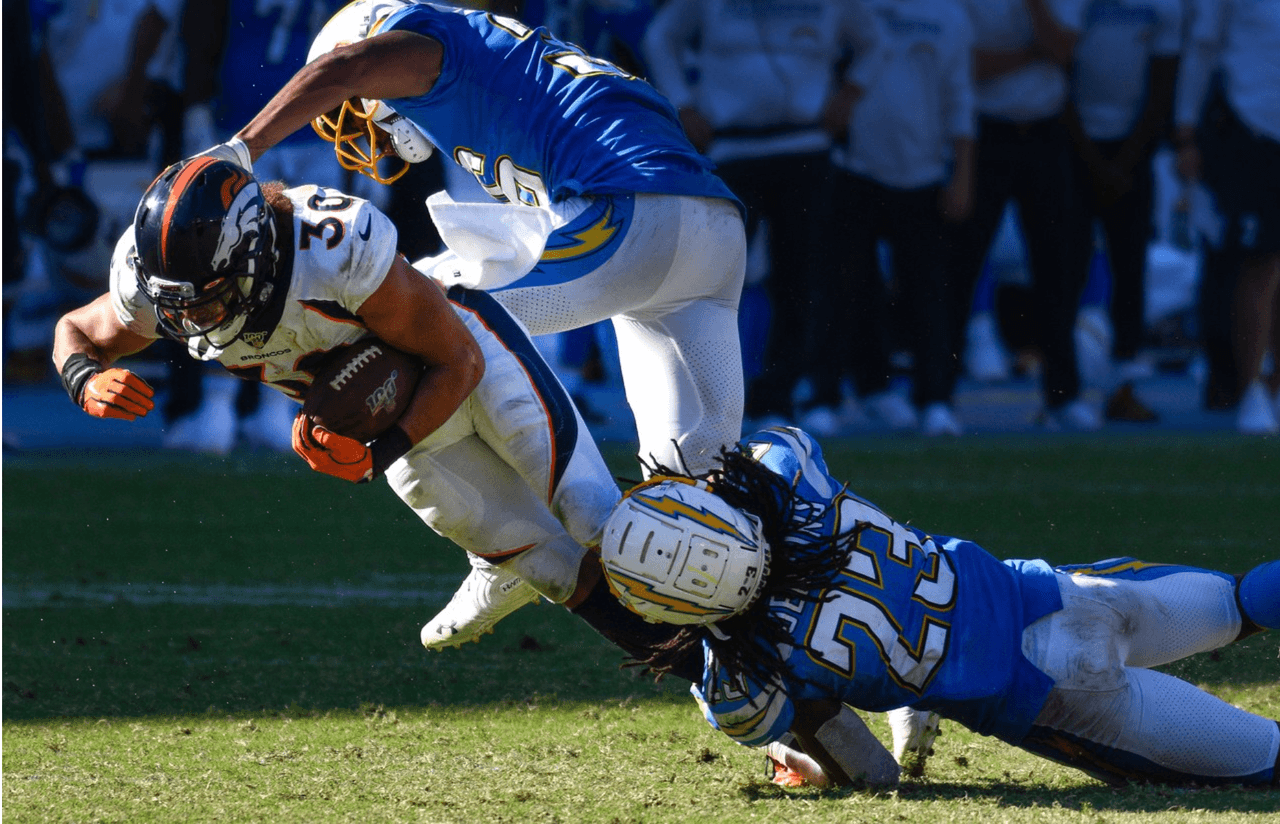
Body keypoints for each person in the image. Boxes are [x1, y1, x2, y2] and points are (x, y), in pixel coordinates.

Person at [194, 0, 747, 642]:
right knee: (701, 512)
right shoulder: (505, 59)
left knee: (428, 319)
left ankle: (506, 545)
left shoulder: (432, 43)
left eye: (354, 109)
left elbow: (348, 66)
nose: (358, 128)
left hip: (632, 217)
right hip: (709, 233)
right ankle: (875, 646)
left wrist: (242, 148)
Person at [50, 157, 678, 662]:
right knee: (556, 571)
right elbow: (76, 330)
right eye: (177, 306)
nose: (191, 321)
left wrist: (379, 451)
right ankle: (733, 693)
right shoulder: (164, 282)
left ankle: (761, 620)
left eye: (208, 300)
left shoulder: (333, 249)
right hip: (399, 428)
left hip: (467, 356)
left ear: (253, 255)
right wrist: (83, 378)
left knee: (603, 525)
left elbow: (458, 361)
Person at [595, 425, 1280, 788]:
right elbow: (769, 445)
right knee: (1245, 600)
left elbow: (873, 773)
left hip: (1058, 697)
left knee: (1268, 761)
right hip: (1066, 596)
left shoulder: (747, 673)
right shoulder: (789, 475)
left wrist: (820, 755)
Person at [641, 0, 885, 431]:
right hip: (732, 150)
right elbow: (660, 37)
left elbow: (876, 41)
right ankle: (709, 397)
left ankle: (780, 394)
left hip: (806, 147)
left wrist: (850, 95)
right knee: (714, 279)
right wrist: (682, 103)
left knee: (804, 278)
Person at [814, 0, 977, 437]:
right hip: (855, 166)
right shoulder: (853, 8)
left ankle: (936, 400)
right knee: (845, 288)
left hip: (923, 170)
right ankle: (833, 395)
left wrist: (961, 172)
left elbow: (959, 95)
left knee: (928, 293)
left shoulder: (950, 16)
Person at [949, 0, 1101, 431]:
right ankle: (938, 395)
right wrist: (1033, 53)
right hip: (985, 134)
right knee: (961, 267)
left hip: (1046, 134)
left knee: (1058, 269)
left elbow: (1063, 50)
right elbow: (967, 66)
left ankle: (1062, 396)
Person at [1064, 0, 1183, 425]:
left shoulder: (1163, 5)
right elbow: (1060, 72)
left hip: (1133, 152)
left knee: (1130, 271)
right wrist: (1093, 159)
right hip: (1073, 148)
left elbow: (1164, 81)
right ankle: (1063, 393)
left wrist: (1127, 159)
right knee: (1063, 271)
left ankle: (1123, 389)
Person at [1173, 0, 1280, 435]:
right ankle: (1250, 389)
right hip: (1252, 128)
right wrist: (1185, 130)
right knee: (1258, 263)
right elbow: (1203, 46)